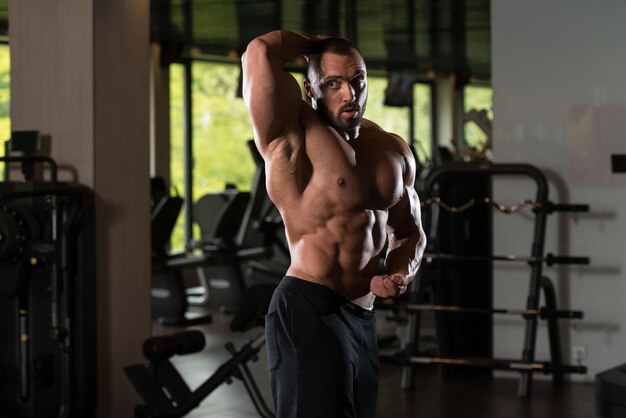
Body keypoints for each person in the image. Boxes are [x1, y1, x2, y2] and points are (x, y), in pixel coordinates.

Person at [241, 30, 426, 418]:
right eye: (333, 83)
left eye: (357, 80)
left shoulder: (392, 148)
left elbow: (410, 233)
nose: (349, 94)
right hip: (310, 306)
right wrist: (314, 42)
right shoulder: (290, 136)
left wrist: (398, 273)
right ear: (311, 90)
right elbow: (259, 51)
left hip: (363, 313)